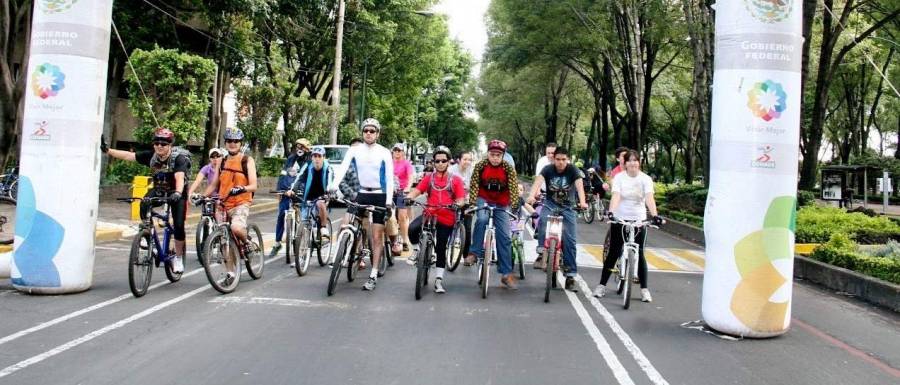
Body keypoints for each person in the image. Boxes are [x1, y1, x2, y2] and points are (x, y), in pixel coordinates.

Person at [102, 128, 191, 274]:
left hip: (177, 192)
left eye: (163, 143)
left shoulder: (178, 158)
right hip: (160, 189)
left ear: (170, 145)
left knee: (179, 225)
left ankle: (178, 258)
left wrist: (178, 193)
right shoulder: (152, 156)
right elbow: (128, 156)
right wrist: (108, 150)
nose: (159, 146)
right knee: (144, 201)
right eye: (156, 143)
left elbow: (180, 178)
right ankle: (147, 233)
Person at [328, 118, 394, 291]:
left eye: (372, 131)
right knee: (350, 223)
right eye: (366, 131)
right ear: (362, 132)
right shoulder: (354, 150)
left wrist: (388, 201)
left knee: (377, 235)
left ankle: (373, 274)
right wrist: (333, 186)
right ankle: (351, 248)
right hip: (361, 193)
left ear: (378, 134)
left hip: (379, 194)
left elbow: (388, 176)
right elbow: (342, 168)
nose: (369, 134)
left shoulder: (384, 152)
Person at [594, 150, 664, 302]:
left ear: (639, 162)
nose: (632, 163)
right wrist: (611, 212)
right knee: (613, 252)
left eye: (635, 160)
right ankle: (601, 286)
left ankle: (644, 289)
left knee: (640, 254)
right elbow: (616, 195)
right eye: (629, 160)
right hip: (620, 219)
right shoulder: (619, 177)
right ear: (624, 163)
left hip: (639, 220)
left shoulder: (645, 179)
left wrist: (655, 215)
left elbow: (649, 197)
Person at [405, 146, 466, 293]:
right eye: (437, 161)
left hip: (446, 216)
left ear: (449, 162)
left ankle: (438, 280)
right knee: (412, 228)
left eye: (443, 161)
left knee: (441, 247)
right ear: (433, 162)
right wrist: (409, 197)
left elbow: (461, 199)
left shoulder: (455, 180)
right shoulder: (429, 178)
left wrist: (457, 204)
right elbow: (417, 190)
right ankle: (417, 251)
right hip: (429, 213)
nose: (440, 163)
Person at [526, 147, 588, 291]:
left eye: (564, 159)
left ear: (568, 160)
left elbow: (580, 187)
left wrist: (583, 202)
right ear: (553, 159)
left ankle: (571, 275)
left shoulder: (573, 170)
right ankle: (541, 252)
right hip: (550, 204)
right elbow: (537, 182)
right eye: (558, 159)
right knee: (542, 221)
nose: (561, 162)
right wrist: (531, 195)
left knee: (570, 240)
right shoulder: (548, 169)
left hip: (568, 207)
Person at [202, 127, 259, 286]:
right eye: (229, 141)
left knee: (235, 228)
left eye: (236, 141)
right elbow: (214, 184)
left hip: (241, 202)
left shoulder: (247, 160)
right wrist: (201, 197)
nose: (232, 144)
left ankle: (247, 241)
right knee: (223, 240)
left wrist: (242, 188)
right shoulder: (221, 161)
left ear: (240, 143)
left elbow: (254, 185)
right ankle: (230, 272)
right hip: (223, 204)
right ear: (225, 143)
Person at [465, 139, 520, 289]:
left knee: (504, 236)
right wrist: (472, 204)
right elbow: (475, 185)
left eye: (498, 155)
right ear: (488, 154)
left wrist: (514, 206)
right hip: (484, 198)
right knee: (481, 219)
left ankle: (506, 274)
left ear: (503, 155)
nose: (495, 157)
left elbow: (514, 188)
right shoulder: (480, 166)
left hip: (502, 202)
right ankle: (474, 253)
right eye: (492, 154)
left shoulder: (508, 168)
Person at [270, 138, 312, 259]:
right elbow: (283, 175)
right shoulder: (290, 159)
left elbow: (306, 178)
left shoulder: (309, 162)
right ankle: (277, 243)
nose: (300, 149)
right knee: (281, 215)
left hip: (301, 191)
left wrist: (298, 190)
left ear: (307, 149)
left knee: (306, 216)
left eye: (302, 147)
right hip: (287, 191)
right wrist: (280, 190)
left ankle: (306, 238)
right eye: (298, 147)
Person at [288, 146, 333, 247]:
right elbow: (299, 178)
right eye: (314, 156)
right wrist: (292, 190)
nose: (317, 159)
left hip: (323, 195)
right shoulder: (308, 166)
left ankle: (323, 228)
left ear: (324, 157)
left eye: (319, 156)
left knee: (320, 204)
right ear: (311, 157)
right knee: (304, 222)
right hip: (308, 195)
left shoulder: (328, 168)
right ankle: (302, 252)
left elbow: (330, 182)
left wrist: (328, 192)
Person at [449, 151, 475, 258]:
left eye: (470, 160)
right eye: (465, 159)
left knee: (468, 227)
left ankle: (466, 255)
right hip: (453, 201)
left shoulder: (472, 171)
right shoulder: (451, 170)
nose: (467, 162)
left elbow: (475, 187)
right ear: (459, 160)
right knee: (448, 225)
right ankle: (446, 248)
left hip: (467, 201)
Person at [392, 143, 415, 254]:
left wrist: (407, 188)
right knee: (387, 216)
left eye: (399, 150)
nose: (397, 152)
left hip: (402, 191)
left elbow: (411, 177)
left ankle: (405, 241)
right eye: (395, 150)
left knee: (402, 216)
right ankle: (391, 240)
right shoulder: (389, 162)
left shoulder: (406, 164)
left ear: (403, 152)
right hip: (390, 191)